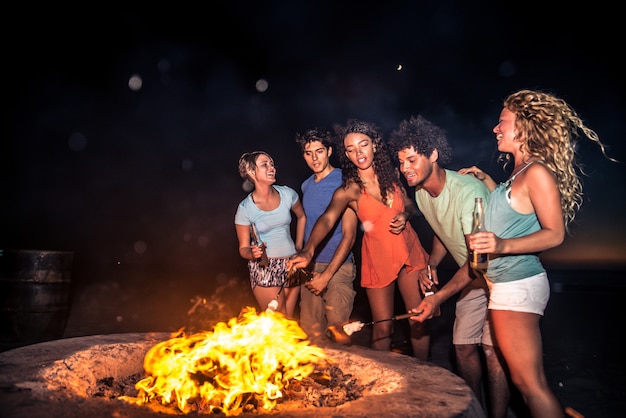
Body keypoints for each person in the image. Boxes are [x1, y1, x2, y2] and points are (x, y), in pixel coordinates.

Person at [415, 89, 614, 417]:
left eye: (502, 122)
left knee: (529, 385)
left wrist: (501, 245)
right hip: (503, 287)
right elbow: (512, 216)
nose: (496, 129)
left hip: (518, 288)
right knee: (527, 383)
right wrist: (488, 181)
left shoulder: (536, 172)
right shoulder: (515, 176)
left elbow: (554, 233)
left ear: (523, 127)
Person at [389, 115, 510, 418]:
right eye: (402, 162)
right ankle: (475, 410)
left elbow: (477, 261)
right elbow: (443, 233)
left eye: (412, 160)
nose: (405, 169)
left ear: (433, 155)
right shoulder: (420, 193)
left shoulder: (469, 192)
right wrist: (431, 264)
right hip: (470, 278)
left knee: (493, 353)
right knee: (462, 347)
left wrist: (439, 297)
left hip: (501, 277)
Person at [288, 119, 431, 360]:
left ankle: (426, 375)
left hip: (408, 248)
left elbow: (408, 203)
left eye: (363, 145)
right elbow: (327, 219)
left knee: (417, 318)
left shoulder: (394, 173)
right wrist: (308, 250)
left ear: (374, 146)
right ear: (345, 153)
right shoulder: (349, 189)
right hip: (377, 255)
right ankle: (381, 382)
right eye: (351, 149)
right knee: (383, 327)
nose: (358, 153)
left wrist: (405, 215)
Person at [294, 127, 358, 342]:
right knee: (312, 338)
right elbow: (307, 223)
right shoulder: (306, 185)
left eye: (319, 151)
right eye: (308, 153)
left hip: (338, 268)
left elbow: (349, 235)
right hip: (310, 268)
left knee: (339, 334)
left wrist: (327, 276)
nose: (314, 158)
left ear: (329, 151)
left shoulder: (345, 181)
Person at [234, 151, 306, 318]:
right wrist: (251, 253)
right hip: (265, 267)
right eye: (264, 164)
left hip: (291, 265)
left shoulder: (288, 194)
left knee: (289, 322)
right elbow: (243, 248)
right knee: (278, 320)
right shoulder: (245, 208)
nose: (271, 167)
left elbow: (301, 216)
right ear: (252, 172)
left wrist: (299, 248)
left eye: (272, 164)